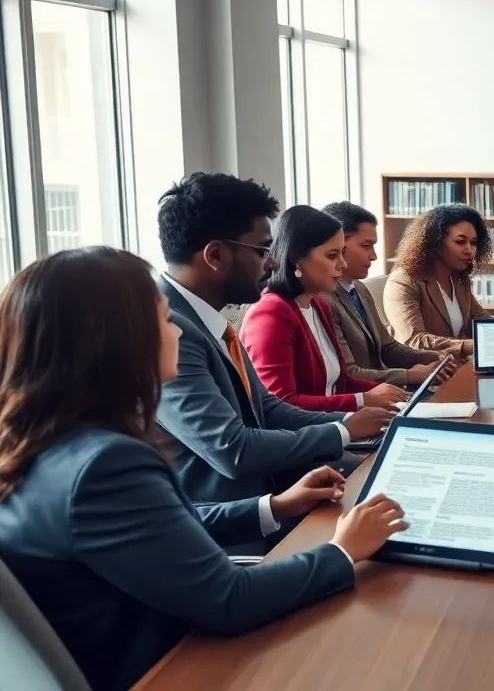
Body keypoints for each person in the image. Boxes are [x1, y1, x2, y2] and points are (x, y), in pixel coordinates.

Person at [0, 247, 408, 691]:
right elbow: (230, 600)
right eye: (163, 318)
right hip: (173, 666)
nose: (177, 328)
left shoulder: (40, 443)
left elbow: (161, 526)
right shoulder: (105, 464)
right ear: (118, 341)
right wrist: (343, 551)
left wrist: (272, 506)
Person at [156, 173, 390, 507]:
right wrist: (343, 430)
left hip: (270, 490)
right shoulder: (167, 332)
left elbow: (266, 408)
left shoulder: (207, 318)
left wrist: (347, 421)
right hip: (232, 517)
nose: (273, 261)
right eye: (262, 250)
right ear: (215, 255)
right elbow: (232, 450)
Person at [241, 206, 409, 414]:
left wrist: (392, 395)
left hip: (334, 423)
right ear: (296, 259)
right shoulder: (271, 313)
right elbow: (280, 405)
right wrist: (362, 400)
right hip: (305, 432)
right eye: (332, 256)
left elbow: (340, 382)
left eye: (342, 254)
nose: (342, 264)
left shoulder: (318, 305)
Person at [319, 202, 454, 388]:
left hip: (383, 392)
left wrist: (435, 357)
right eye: (366, 245)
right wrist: (410, 375)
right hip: (365, 398)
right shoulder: (324, 301)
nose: (373, 256)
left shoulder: (359, 288)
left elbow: (388, 347)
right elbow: (348, 374)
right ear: (338, 245)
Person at [384, 204, 492, 355]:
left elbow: (480, 318)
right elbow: (415, 340)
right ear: (435, 242)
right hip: (425, 367)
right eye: (460, 242)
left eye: (473, 242)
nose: (469, 250)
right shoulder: (403, 281)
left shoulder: (459, 278)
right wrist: (468, 346)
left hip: (458, 364)